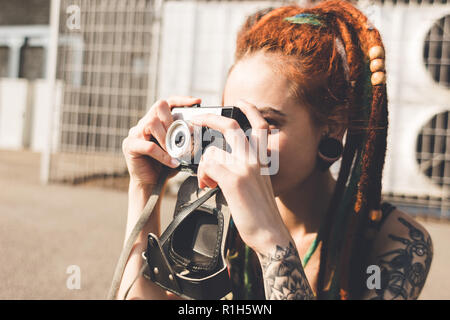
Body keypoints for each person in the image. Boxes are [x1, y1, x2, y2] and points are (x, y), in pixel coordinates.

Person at [118, 0, 433, 300]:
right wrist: (143, 189)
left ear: (333, 126)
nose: (243, 143)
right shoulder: (222, 222)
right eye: (237, 120)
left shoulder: (397, 239)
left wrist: (270, 241)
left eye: (267, 121)